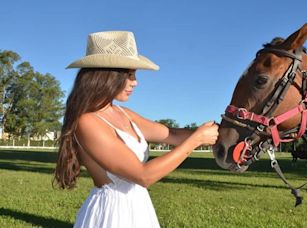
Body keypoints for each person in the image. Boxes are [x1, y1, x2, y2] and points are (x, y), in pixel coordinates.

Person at [53, 31, 219, 228]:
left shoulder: (125, 114)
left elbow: (172, 135)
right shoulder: (87, 122)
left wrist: (229, 130)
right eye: (130, 75)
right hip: (112, 214)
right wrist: (196, 140)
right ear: (108, 76)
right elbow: (143, 176)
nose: (135, 82)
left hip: (139, 208)